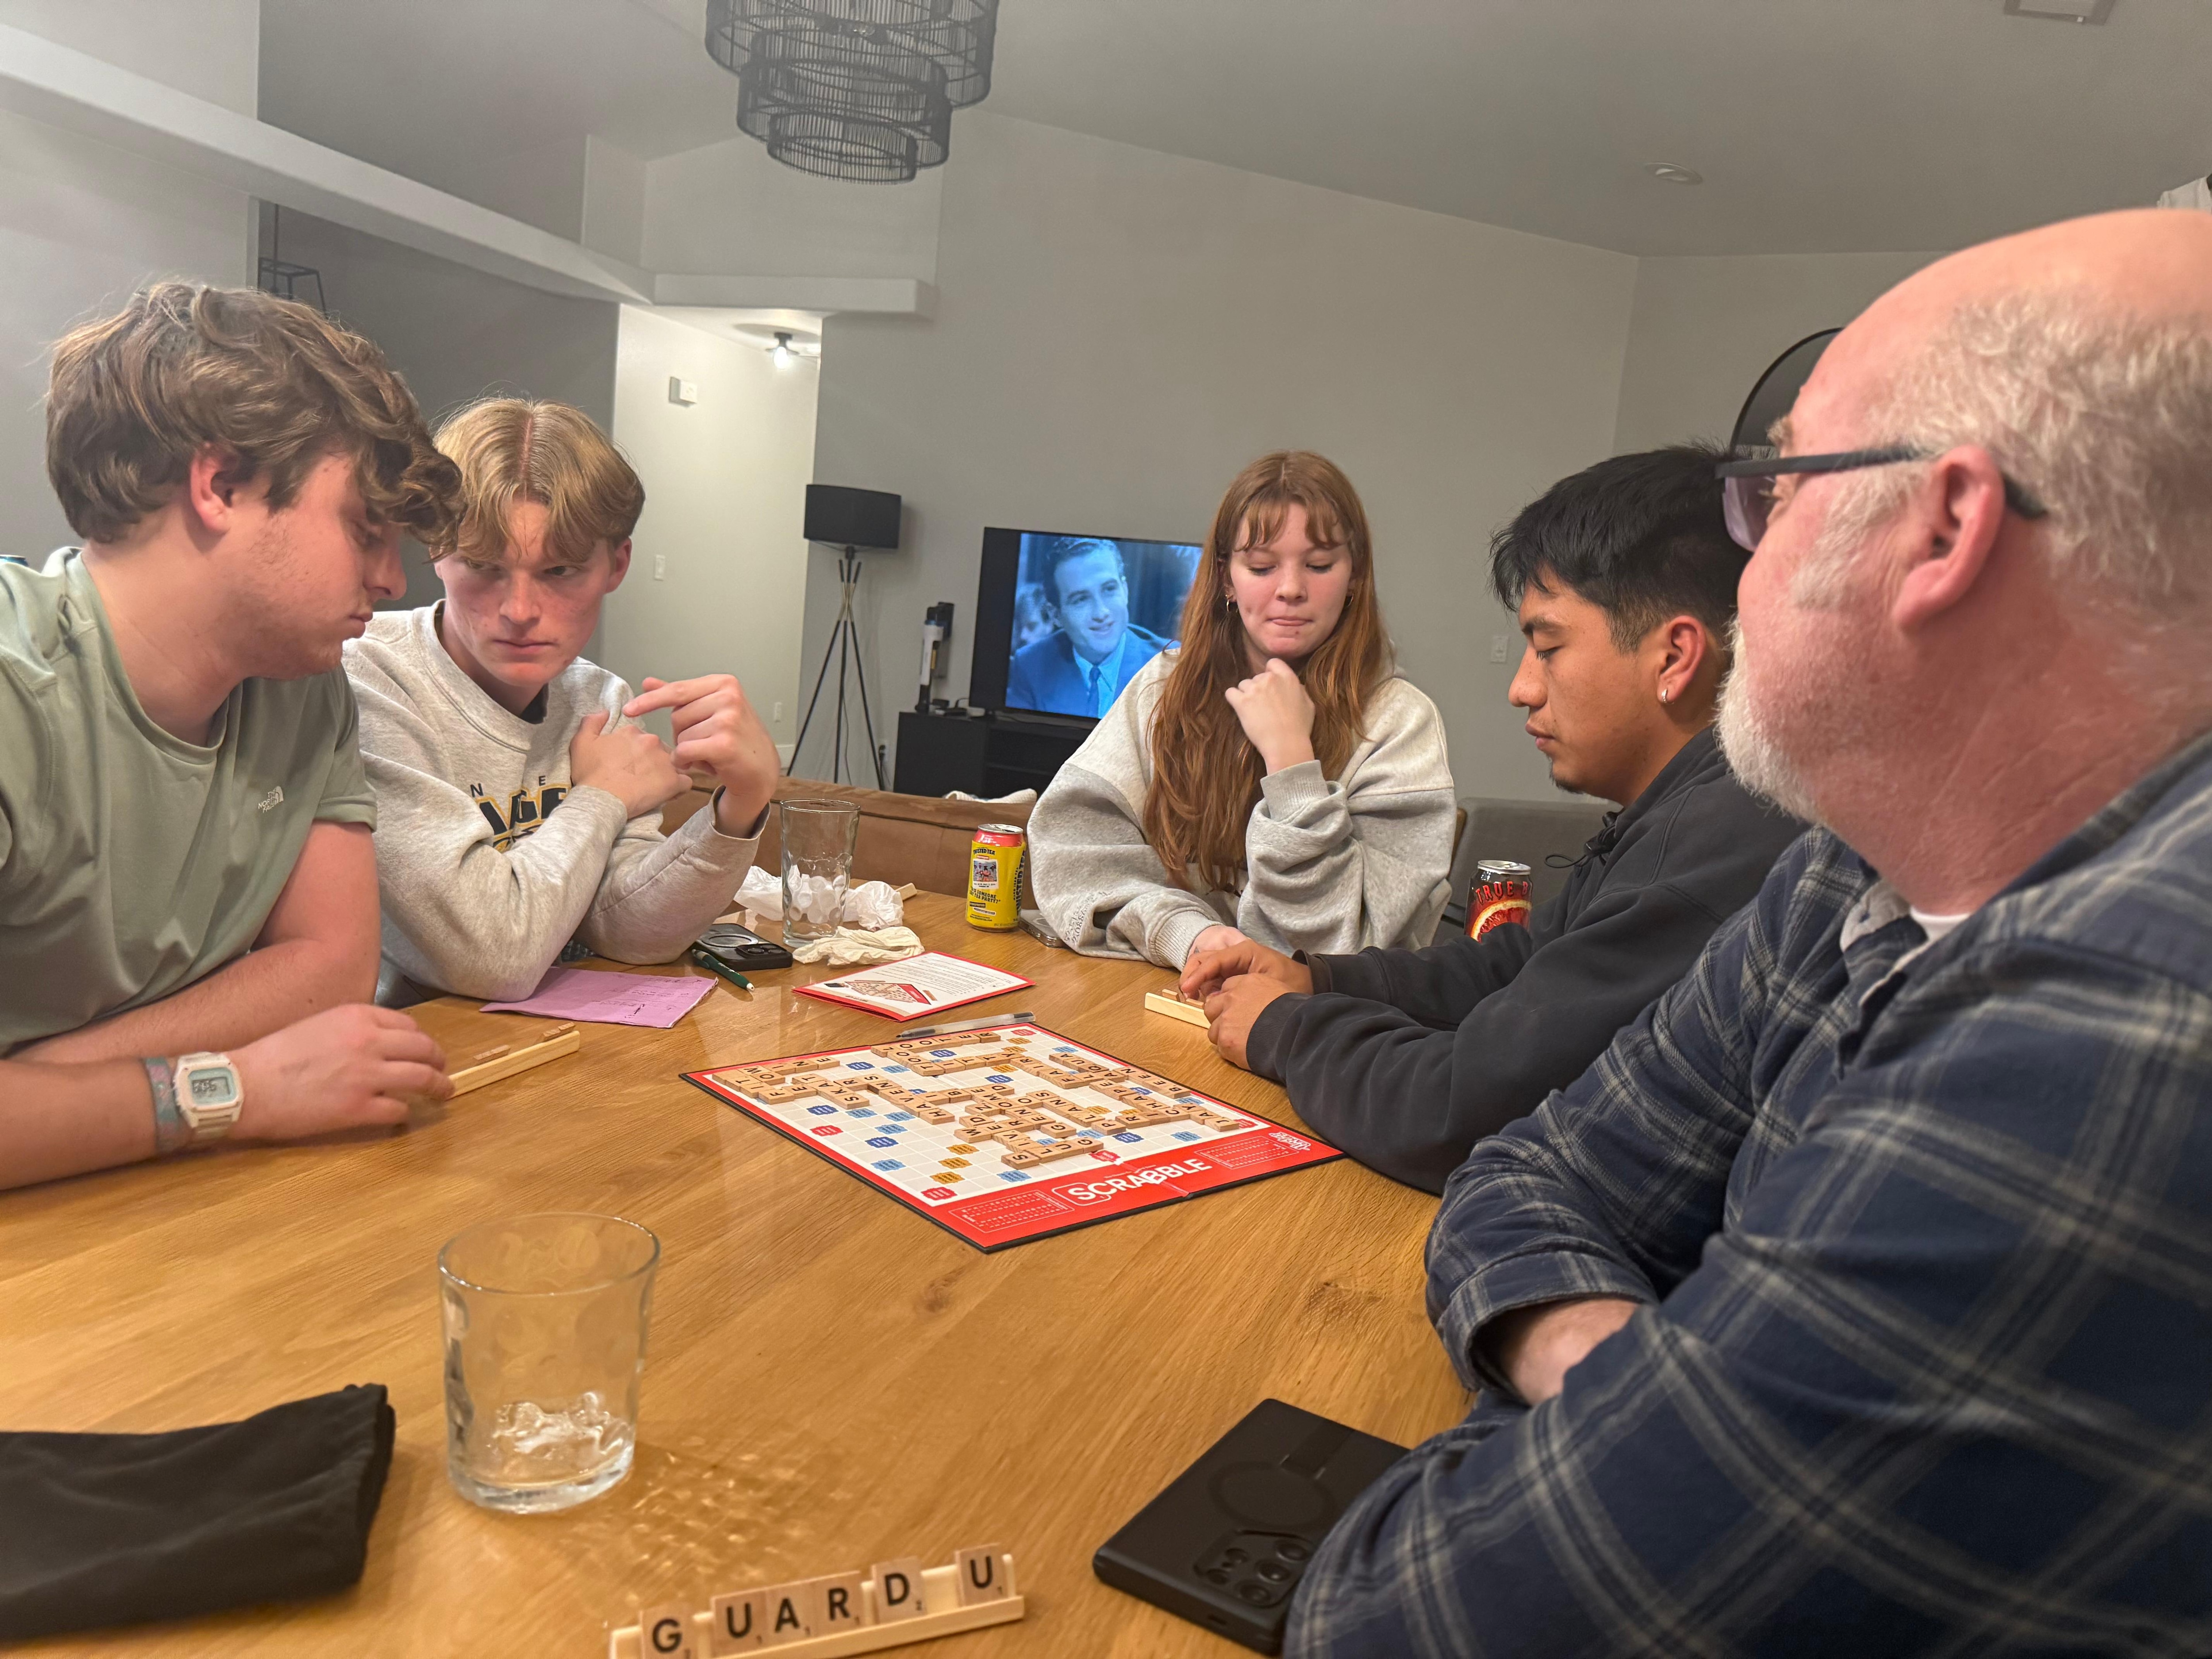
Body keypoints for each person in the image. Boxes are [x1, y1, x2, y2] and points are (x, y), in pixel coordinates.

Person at [1286, 207, 2212, 1656]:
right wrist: (1622, 1369)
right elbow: (1530, 1169)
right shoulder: (1853, 865)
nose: (1738, 578)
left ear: (1945, 530)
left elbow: (1392, 1618)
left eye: (1772, 496)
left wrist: (1618, 1401)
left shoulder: (2122, 1022)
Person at [1182, 445, 1802, 1193]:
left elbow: (1462, 1106)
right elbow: (1514, 966)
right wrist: (1316, 979)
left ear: (1674, 658)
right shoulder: (1682, 809)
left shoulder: (1716, 848)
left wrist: (1285, 1024)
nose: (1520, 688)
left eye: (1548, 647)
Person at [0, 283, 460, 1190]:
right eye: (364, 528)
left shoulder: (305, 684)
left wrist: (40, 1092)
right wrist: (230, 1090)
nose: (392, 578)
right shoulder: (15, 691)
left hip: (160, 1201)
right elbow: (271, 1051)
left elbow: (331, 967)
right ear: (220, 486)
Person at [343, 398, 778, 1003]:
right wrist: (602, 796)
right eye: (483, 566)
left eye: (560, 571)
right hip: (407, 1047)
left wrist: (741, 807)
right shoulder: (367, 680)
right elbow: (493, 960)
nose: (519, 611)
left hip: (545, 1048)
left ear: (616, 566)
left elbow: (629, 933)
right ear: (437, 549)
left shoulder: (597, 699)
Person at [1029, 451, 1455, 968]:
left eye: (1319, 565)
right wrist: (1188, 935)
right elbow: (1073, 857)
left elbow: (1344, 950)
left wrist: (1291, 766)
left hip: (1314, 1012)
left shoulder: (1400, 722)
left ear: (1354, 577)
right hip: (1160, 989)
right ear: (1226, 579)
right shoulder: (1162, 687)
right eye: (1261, 567)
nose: (1290, 589)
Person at [1005, 538, 1175, 717]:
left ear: (1125, 591)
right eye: (1081, 600)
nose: (1101, 613)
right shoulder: (1031, 666)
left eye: (1109, 589)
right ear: (1056, 615)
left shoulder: (1171, 664)